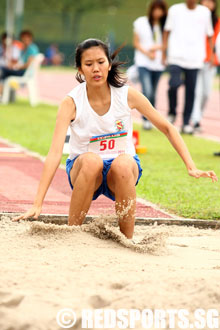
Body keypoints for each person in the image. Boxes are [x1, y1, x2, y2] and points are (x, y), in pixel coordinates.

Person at [13, 39, 218, 239]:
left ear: (109, 65)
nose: (96, 69)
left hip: (121, 169)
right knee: (92, 160)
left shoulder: (127, 95)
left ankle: (126, 239)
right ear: (80, 69)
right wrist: (37, 202)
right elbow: (55, 153)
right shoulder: (71, 102)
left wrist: (191, 167)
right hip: (84, 168)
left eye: (101, 62)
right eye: (89, 64)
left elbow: (167, 127)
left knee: (123, 163)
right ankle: (72, 235)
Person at [163, 0, 214, 134]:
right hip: (176, 56)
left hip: (195, 58)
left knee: (191, 91)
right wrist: (164, 52)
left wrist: (212, 54)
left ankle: (186, 123)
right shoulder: (175, 10)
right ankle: (172, 112)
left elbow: (209, 35)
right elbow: (166, 31)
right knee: (174, 84)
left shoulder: (205, 12)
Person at [133, 0, 167, 130]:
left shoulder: (164, 25)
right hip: (143, 62)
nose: (158, 12)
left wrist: (158, 50)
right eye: (155, 9)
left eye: (161, 10)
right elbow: (136, 43)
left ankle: (152, 119)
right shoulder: (141, 22)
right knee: (147, 90)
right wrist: (147, 53)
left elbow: (166, 44)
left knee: (153, 93)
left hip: (158, 64)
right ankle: (146, 119)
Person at [191, 0, 220, 133]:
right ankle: (195, 120)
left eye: (211, 1)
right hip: (196, 60)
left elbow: (216, 40)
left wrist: (214, 55)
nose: (208, 4)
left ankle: (198, 116)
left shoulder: (217, 21)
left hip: (211, 61)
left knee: (207, 93)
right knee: (197, 92)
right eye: (206, 1)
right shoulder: (195, 18)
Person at [0, 30, 39, 95]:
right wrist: (12, 65)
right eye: (23, 38)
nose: (25, 40)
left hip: (25, 72)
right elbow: (19, 62)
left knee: (3, 71)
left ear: (30, 39)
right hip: (21, 71)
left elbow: (28, 65)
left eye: (27, 38)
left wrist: (17, 67)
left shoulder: (32, 48)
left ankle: (3, 94)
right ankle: (4, 94)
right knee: (4, 75)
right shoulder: (23, 49)